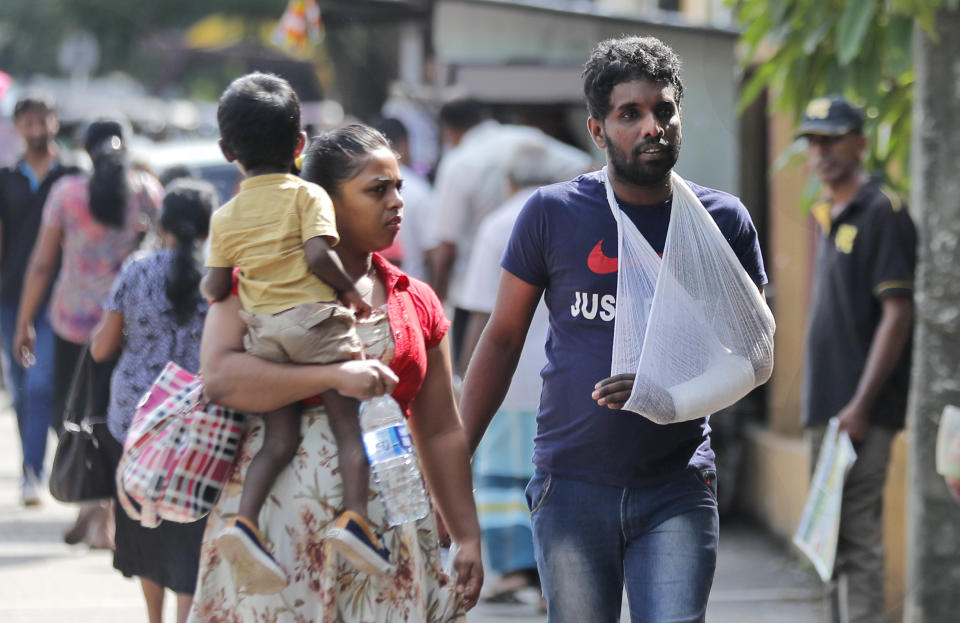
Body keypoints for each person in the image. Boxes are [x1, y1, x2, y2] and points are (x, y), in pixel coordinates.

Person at [459, 36, 768, 623]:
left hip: (675, 486)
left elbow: (750, 353)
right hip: (570, 483)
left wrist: (665, 394)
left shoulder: (721, 222)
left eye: (664, 110)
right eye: (630, 114)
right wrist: (457, 459)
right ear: (598, 131)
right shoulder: (551, 213)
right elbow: (500, 339)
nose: (653, 126)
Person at [188, 124, 482, 622]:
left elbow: (439, 429)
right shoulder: (255, 288)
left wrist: (468, 533)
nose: (396, 203)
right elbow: (220, 377)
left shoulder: (416, 299)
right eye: (376, 190)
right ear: (322, 204)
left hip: (387, 527)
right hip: (277, 534)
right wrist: (330, 379)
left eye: (398, 188)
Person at [201, 73, 389, 591]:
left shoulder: (226, 216)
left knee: (277, 438)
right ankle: (355, 520)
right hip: (314, 324)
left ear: (225, 151)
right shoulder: (308, 196)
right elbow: (315, 254)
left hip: (265, 337)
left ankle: (244, 522)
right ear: (300, 145)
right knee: (349, 429)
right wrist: (350, 290)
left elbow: (217, 285)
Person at [13, 117, 162, 547]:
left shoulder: (67, 194)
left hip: (71, 324)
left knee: (73, 414)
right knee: (116, 415)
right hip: (127, 326)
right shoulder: (146, 193)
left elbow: (42, 264)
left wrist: (25, 322)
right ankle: (102, 512)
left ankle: (94, 510)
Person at [798, 96, 916, 623]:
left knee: (857, 539)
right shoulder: (826, 214)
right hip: (824, 407)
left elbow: (897, 314)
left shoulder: (883, 213)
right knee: (828, 544)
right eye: (813, 140)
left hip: (860, 412)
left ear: (860, 143)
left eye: (832, 138)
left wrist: (862, 405)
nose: (820, 150)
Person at [458, 141, 590, 607]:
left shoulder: (496, 224)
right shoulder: (572, 215)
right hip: (562, 374)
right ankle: (547, 573)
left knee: (501, 479)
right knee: (549, 473)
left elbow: (480, 310)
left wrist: (467, 371)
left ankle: (512, 570)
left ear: (509, 181)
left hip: (507, 374)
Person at [90, 178, 215, 623]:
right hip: (199, 423)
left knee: (145, 522)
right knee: (190, 525)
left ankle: (155, 619)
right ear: (207, 227)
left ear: (161, 225)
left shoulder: (136, 271)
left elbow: (102, 348)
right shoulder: (220, 279)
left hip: (135, 421)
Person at [429, 98, 591, 365]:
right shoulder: (527, 138)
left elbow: (446, 249)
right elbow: (590, 169)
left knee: (480, 364)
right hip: (544, 282)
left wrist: (434, 310)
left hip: (476, 287)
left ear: (450, 131)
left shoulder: (458, 162)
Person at [0, 95, 81, 505]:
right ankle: (36, 468)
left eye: (42, 121)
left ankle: (34, 473)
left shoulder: (71, 175)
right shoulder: (7, 178)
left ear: (55, 121)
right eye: (28, 122)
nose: (35, 129)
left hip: (60, 299)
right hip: (11, 297)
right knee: (19, 386)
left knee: (41, 384)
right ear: (17, 127)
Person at [375, 117, 436, 284]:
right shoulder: (419, 189)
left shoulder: (358, 185)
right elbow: (434, 251)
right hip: (410, 290)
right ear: (405, 144)